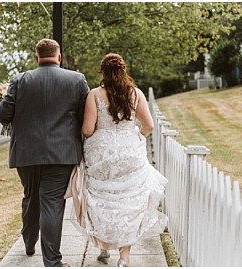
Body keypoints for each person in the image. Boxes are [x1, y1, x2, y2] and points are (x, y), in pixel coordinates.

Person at [0, 38, 90, 267]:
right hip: (62, 153)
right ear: (59, 57)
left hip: (26, 153)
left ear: (36, 57)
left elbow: (3, 114)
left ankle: (29, 242)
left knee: (31, 197)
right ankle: (52, 262)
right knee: (51, 202)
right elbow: (84, 116)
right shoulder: (76, 80)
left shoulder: (19, 80)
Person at [80, 53, 168, 267]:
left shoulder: (94, 95)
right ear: (123, 70)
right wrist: (134, 136)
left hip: (102, 155)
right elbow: (149, 126)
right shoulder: (135, 93)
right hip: (130, 153)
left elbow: (88, 129)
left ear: (102, 71)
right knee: (129, 202)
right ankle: (124, 257)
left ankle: (104, 248)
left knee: (104, 201)